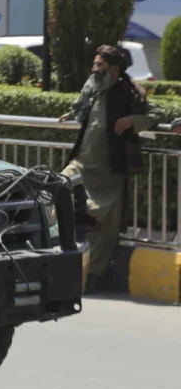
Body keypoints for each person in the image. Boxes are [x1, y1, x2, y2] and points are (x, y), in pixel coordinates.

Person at [59, 45, 161, 291]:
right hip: (81, 164)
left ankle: (93, 276)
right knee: (57, 189)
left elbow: (155, 114)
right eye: (95, 64)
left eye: (100, 65)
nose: (95, 68)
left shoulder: (129, 91)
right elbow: (82, 110)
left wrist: (131, 121)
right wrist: (70, 114)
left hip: (110, 172)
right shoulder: (92, 89)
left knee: (103, 228)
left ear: (114, 69)